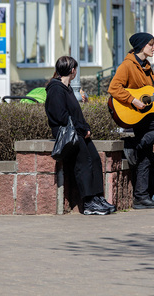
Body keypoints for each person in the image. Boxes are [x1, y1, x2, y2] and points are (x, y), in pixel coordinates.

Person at [108, 33, 154, 209]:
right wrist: (133, 100)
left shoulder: (148, 68)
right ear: (142, 46)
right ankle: (137, 143)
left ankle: (140, 197)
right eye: (152, 44)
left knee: (145, 157)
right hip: (133, 114)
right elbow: (114, 88)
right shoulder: (127, 65)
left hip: (146, 115)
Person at [45, 56, 116, 215]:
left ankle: (98, 198)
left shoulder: (67, 88)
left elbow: (76, 115)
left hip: (77, 131)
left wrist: (86, 128)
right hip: (67, 134)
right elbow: (61, 116)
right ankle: (89, 203)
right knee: (84, 162)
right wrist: (82, 130)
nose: (76, 72)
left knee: (95, 160)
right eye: (75, 69)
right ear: (72, 70)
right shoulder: (55, 89)